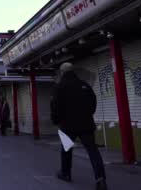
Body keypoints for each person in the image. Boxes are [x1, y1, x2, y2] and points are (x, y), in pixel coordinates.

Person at [51, 62, 108, 190]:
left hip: (67, 125)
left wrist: (56, 120)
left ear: (62, 72)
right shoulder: (84, 85)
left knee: (66, 150)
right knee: (93, 151)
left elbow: (55, 106)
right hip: (86, 124)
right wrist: (87, 114)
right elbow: (93, 101)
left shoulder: (60, 87)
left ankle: (65, 173)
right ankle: (101, 180)